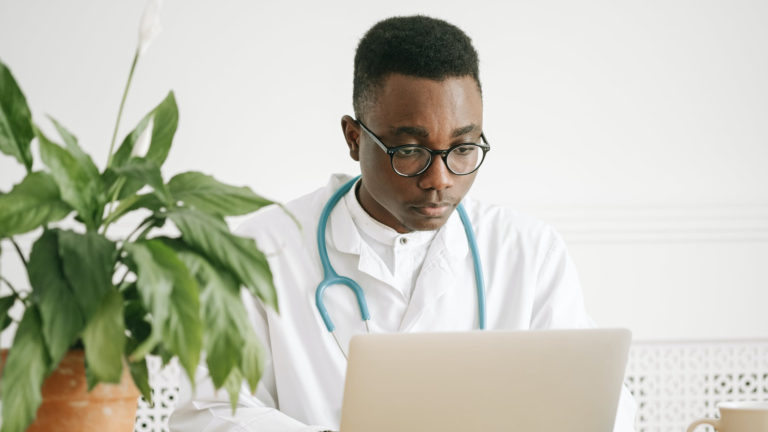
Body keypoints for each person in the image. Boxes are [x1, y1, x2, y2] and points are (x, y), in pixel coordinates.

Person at [169, 15, 636, 432]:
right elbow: (209, 413)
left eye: (463, 149)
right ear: (354, 139)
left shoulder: (527, 252)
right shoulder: (259, 249)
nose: (439, 180)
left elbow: (606, 407)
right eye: (410, 151)